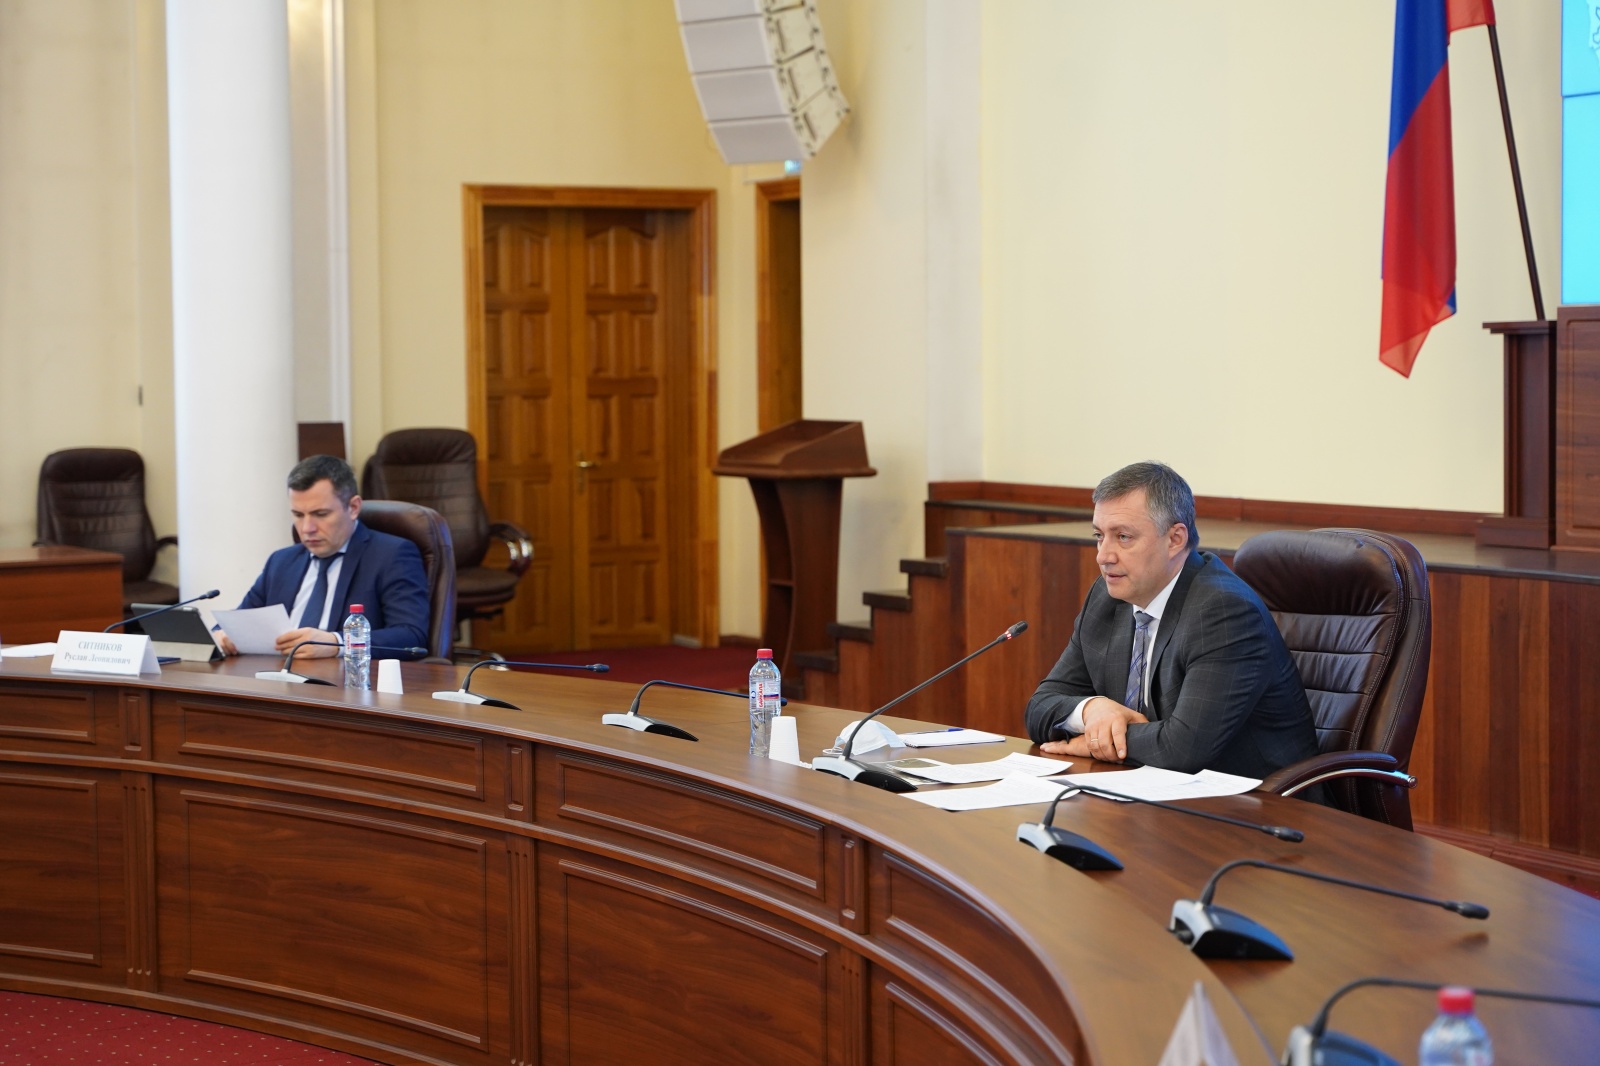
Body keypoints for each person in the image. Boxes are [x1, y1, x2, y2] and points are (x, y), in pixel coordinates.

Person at [1024, 461, 1319, 779]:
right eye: (1099, 536)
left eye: (1123, 537)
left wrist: (1094, 741)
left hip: (1260, 799)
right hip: (1151, 788)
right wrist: (1092, 710)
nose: (1103, 556)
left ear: (1175, 539)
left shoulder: (1222, 610)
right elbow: (1039, 708)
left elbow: (1183, 748)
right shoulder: (1108, 598)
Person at [218, 455, 430, 660]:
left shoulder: (391, 555)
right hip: (277, 675)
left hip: (344, 680)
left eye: (320, 514)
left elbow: (411, 636)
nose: (307, 528)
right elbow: (237, 622)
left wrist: (336, 643)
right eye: (298, 515)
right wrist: (221, 636)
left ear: (353, 508)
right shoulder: (281, 561)